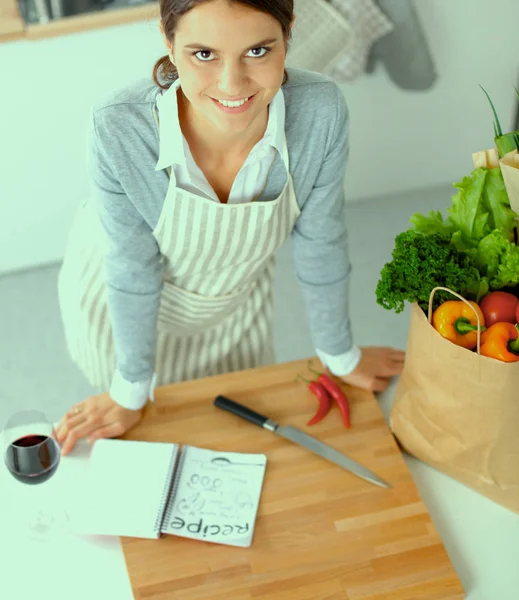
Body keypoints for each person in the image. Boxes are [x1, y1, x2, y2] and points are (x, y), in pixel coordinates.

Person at [56, 0, 405, 455]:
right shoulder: (119, 126)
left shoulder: (320, 112)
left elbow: (321, 237)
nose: (232, 84)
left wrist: (339, 354)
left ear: (288, 33)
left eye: (258, 52)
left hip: (233, 302)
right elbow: (131, 268)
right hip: (122, 304)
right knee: (149, 438)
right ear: (169, 40)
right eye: (204, 55)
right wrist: (129, 390)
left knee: (232, 438)